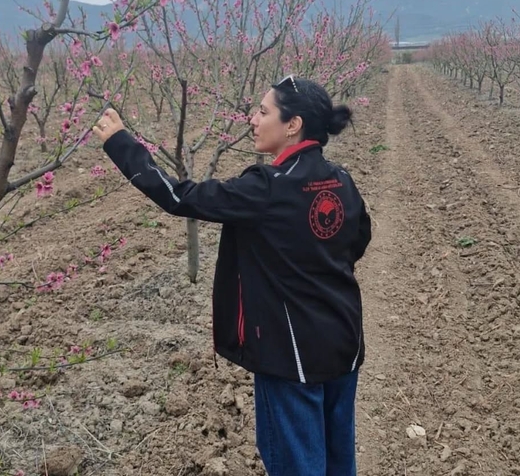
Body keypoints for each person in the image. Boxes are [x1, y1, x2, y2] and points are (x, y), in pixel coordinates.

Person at [92, 75, 371, 476]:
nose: (253, 120)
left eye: (263, 111)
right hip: (344, 342)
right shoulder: (341, 179)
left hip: (292, 357)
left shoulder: (265, 188)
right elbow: (357, 241)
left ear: (293, 125)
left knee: (298, 465)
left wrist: (121, 143)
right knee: (337, 458)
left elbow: (179, 197)